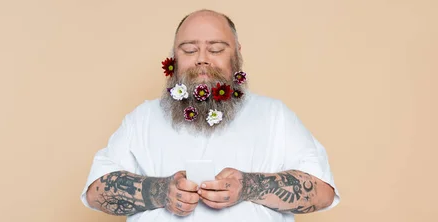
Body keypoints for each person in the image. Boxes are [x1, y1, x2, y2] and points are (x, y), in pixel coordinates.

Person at [79, 9, 340, 222]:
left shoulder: (275, 116)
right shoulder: (142, 118)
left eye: (215, 49)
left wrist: (249, 185)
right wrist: (160, 191)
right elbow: (95, 192)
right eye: (189, 50)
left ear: (236, 54)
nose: (202, 59)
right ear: (174, 58)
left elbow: (323, 192)